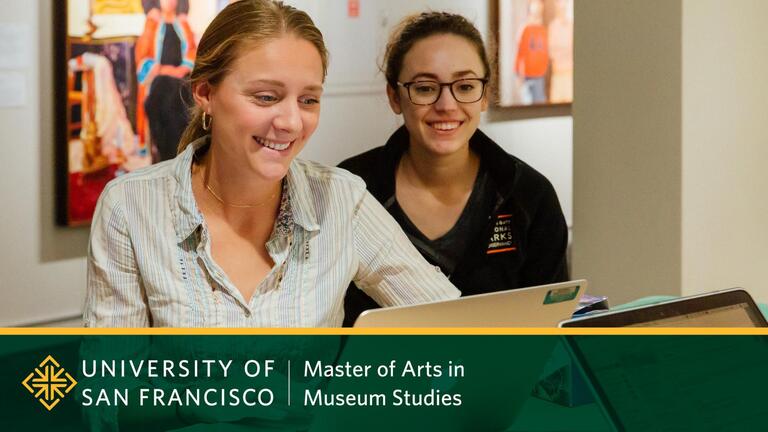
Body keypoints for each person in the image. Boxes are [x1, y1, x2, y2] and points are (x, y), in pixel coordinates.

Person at [85, 0, 459, 329]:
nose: (292, 123)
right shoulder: (131, 206)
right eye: (266, 97)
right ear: (206, 94)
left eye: (309, 100)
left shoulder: (342, 200)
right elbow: (110, 392)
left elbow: (458, 326)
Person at [340, 12, 569, 326]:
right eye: (424, 88)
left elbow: (551, 326)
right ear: (395, 96)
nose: (447, 105)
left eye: (464, 86)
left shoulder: (528, 195)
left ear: (485, 95)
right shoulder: (351, 190)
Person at [135, 0, 196, 161]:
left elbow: (192, 51)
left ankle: (184, 155)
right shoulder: (152, 23)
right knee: (161, 100)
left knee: (189, 101)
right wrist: (165, 70)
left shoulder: (183, 24)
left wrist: (182, 69)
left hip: (182, 78)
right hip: (159, 79)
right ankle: (166, 156)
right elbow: (142, 57)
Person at [514, 0, 549, 104]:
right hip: (526, 77)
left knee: (540, 103)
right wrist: (518, 74)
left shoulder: (543, 30)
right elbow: (519, 53)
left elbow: (545, 52)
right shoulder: (525, 29)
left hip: (539, 76)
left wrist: (544, 68)